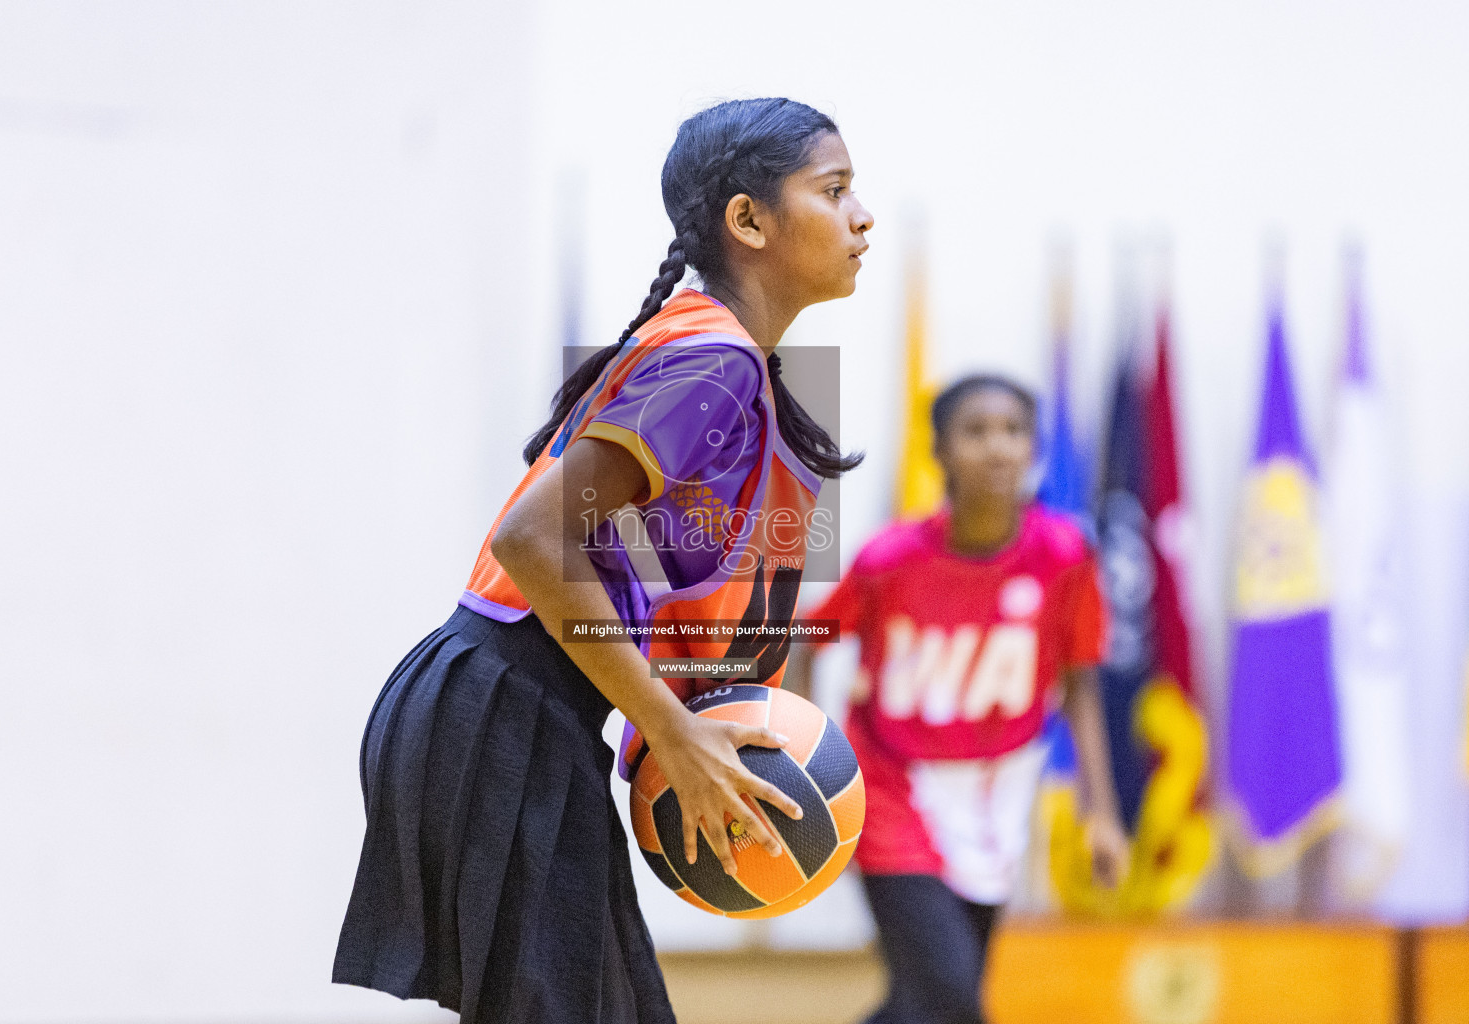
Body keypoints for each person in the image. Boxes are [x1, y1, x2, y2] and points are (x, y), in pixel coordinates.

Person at [333, 97, 874, 1023]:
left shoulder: (716, 353)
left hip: (498, 702)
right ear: (748, 221)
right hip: (502, 705)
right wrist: (668, 727)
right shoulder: (716, 364)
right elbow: (531, 538)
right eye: (834, 191)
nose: (863, 216)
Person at [787, 375, 1130, 1024]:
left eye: (1014, 431)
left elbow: (1080, 684)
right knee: (950, 995)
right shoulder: (891, 559)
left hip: (997, 796)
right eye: (975, 431)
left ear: (1035, 449)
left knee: (927, 1000)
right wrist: (813, 765)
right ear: (939, 450)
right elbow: (809, 636)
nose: (998, 448)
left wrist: (1101, 814)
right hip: (893, 789)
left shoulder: (1064, 556)